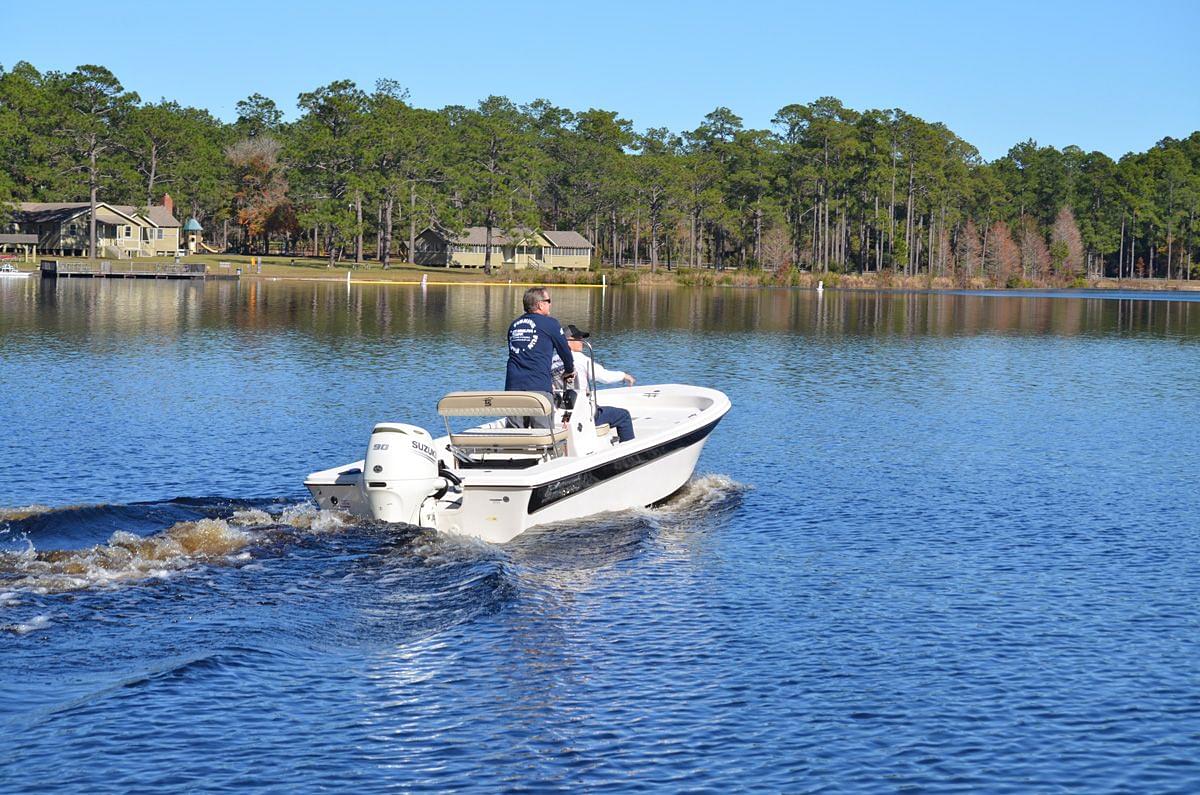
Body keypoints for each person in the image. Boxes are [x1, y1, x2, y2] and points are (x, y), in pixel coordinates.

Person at [552, 324, 637, 442]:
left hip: (560, 411)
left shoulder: (552, 360)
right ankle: (629, 452)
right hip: (582, 412)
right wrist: (624, 376)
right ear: (568, 341)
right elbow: (605, 377)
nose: (582, 341)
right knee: (624, 416)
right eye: (578, 338)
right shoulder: (580, 359)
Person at [505, 286, 574, 429]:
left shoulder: (514, 326)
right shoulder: (551, 324)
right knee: (543, 434)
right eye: (548, 301)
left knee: (515, 433)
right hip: (539, 387)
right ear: (540, 304)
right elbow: (565, 352)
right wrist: (569, 370)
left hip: (513, 387)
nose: (550, 304)